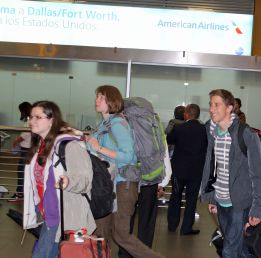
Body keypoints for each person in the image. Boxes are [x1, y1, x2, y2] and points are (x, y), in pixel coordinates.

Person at [86, 85, 163, 258]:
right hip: (107, 187)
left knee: (121, 235)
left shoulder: (118, 124)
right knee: (101, 232)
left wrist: (99, 147)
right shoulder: (103, 125)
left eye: (101, 97)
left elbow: (129, 156)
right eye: (97, 96)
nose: (97, 100)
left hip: (124, 185)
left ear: (111, 101)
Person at [23, 101, 95, 258]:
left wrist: (69, 181)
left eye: (38, 117)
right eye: (30, 116)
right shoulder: (41, 146)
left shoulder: (69, 145)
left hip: (65, 217)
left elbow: (85, 179)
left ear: (52, 120)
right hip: (48, 215)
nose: (31, 121)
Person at [201, 89, 261, 258]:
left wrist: (257, 208)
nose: (211, 109)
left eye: (217, 105)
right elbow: (211, 165)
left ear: (230, 107)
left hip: (241, 202)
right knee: (238, 248)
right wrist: (211, 196)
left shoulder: (246, 134)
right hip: (220, 199)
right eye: (211, 104)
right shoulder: (210, 130)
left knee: (229, 249)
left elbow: (259, 173)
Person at [167, 104, 207, 235]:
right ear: (198, 115)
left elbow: (169, 139)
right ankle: (186, 228)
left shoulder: (178, 128)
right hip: (196, 171)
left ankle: (172, 225)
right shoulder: (204, 130)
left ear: (186, 114)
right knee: (191, 199)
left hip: (179, 170)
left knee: (175, 196)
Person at [9, 102, 32, 201]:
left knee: (21, 172)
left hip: (26, 150)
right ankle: (22, 193)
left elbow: (25, 135)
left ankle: (20, 194)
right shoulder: (31, 120)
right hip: (27, 149)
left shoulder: (30, 121)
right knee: (24, 172)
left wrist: (16, 141)